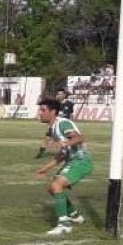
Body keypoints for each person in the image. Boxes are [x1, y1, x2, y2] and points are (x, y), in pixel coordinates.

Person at [34, 98, 91, 235]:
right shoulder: (54, 128)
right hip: (72, 161)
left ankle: (64, 225)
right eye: (40, 110)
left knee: (56, 186)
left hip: (80, 161)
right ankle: (75, 215)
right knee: (52, 188)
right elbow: (62, 155)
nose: (40, 113)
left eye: (43, 110)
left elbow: (79, 138)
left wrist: (65, 143)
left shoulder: (63, 123)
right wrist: (45, 168)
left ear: (53, 112)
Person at [35, 89, 75, 158]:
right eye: (58, 94)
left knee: (66, 140)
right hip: (54, 124)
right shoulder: (54, 104)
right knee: (47, 138)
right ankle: (40, 153)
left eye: (61, 94)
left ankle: (68, 153)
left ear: (64, 95)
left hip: (64, 125)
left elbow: (71, 114)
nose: (59, 95)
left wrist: (71, 123)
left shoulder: (69, 103)